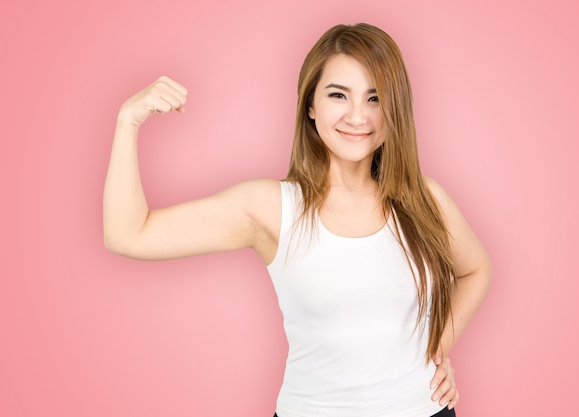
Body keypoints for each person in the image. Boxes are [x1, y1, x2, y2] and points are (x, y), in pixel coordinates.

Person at [103, 23, 491, 417]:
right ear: (310, 105)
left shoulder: (424, 200)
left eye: (375, 98)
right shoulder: (273, 208)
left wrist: (436, 349)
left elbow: (476, 270)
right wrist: (127, 122)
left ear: (395, 109)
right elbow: (129, 234)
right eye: (338, 95)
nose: (358, 116)